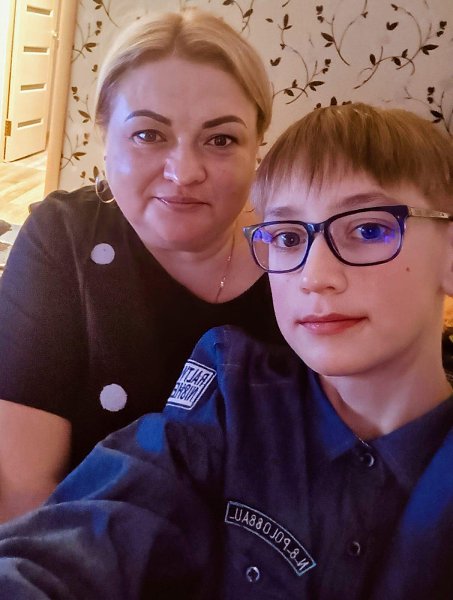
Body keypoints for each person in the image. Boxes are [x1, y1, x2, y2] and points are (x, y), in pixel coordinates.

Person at [0, 102, 451, 599]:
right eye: (287, 237)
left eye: (368, 229)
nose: (314, 275)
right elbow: (88, 535)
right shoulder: (232, 396)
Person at [0, 9, 286, 521]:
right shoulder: (63, 239)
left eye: (221, 139)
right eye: (149, 135)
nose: (185, 172)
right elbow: (24, 493)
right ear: (103, 137)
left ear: (256, 145)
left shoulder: (301, 255)